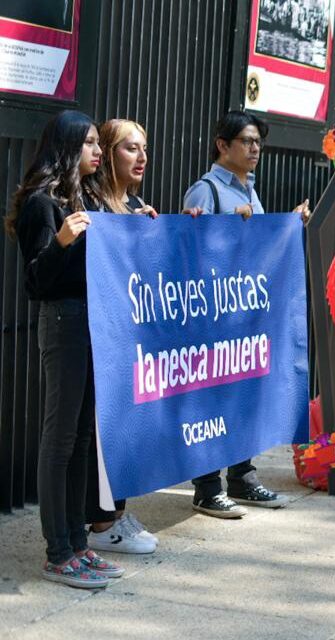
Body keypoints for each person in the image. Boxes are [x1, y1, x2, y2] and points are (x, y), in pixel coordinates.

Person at [5, 111, 124, 588]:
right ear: (68, 147)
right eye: (91, 143)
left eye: (99, 143)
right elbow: (35, 281)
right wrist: (61, 241)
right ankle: (57, 552)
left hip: (92, 322)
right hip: (63, 322)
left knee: (79, 440)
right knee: (58, 441)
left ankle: (78, 543)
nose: (98, 152)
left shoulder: (86, 197)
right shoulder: (41, 204)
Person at [181, 110, 309, 517]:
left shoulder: (250, 191)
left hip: (245, 316)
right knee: (210, 401)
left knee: (241, 397)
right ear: (223, 145)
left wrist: (288, 225)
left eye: (258, 142)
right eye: (247, 141)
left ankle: (241, 477)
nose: (255, 149)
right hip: (213, 317)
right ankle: (206, 487)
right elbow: (192, 253)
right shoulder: (206, 192)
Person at [83, 119, 159, 554]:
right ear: (108, 154)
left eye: (144, 149)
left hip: (131, 341)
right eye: (131, 148)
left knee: (126, 426)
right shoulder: (91, 203)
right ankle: (101, 522)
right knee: (100, 430)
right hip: (101, 340)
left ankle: (116, 512)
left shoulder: (136, 204)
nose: (142, 157)